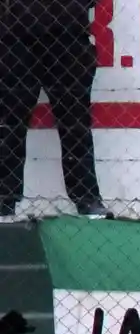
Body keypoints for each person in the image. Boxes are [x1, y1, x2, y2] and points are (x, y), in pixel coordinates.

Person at [0, 0, 106, 220]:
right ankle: (4, 203)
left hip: (68, 33)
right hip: (15, 34)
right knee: (10, 124)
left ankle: (87, 200)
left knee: (76, 122)